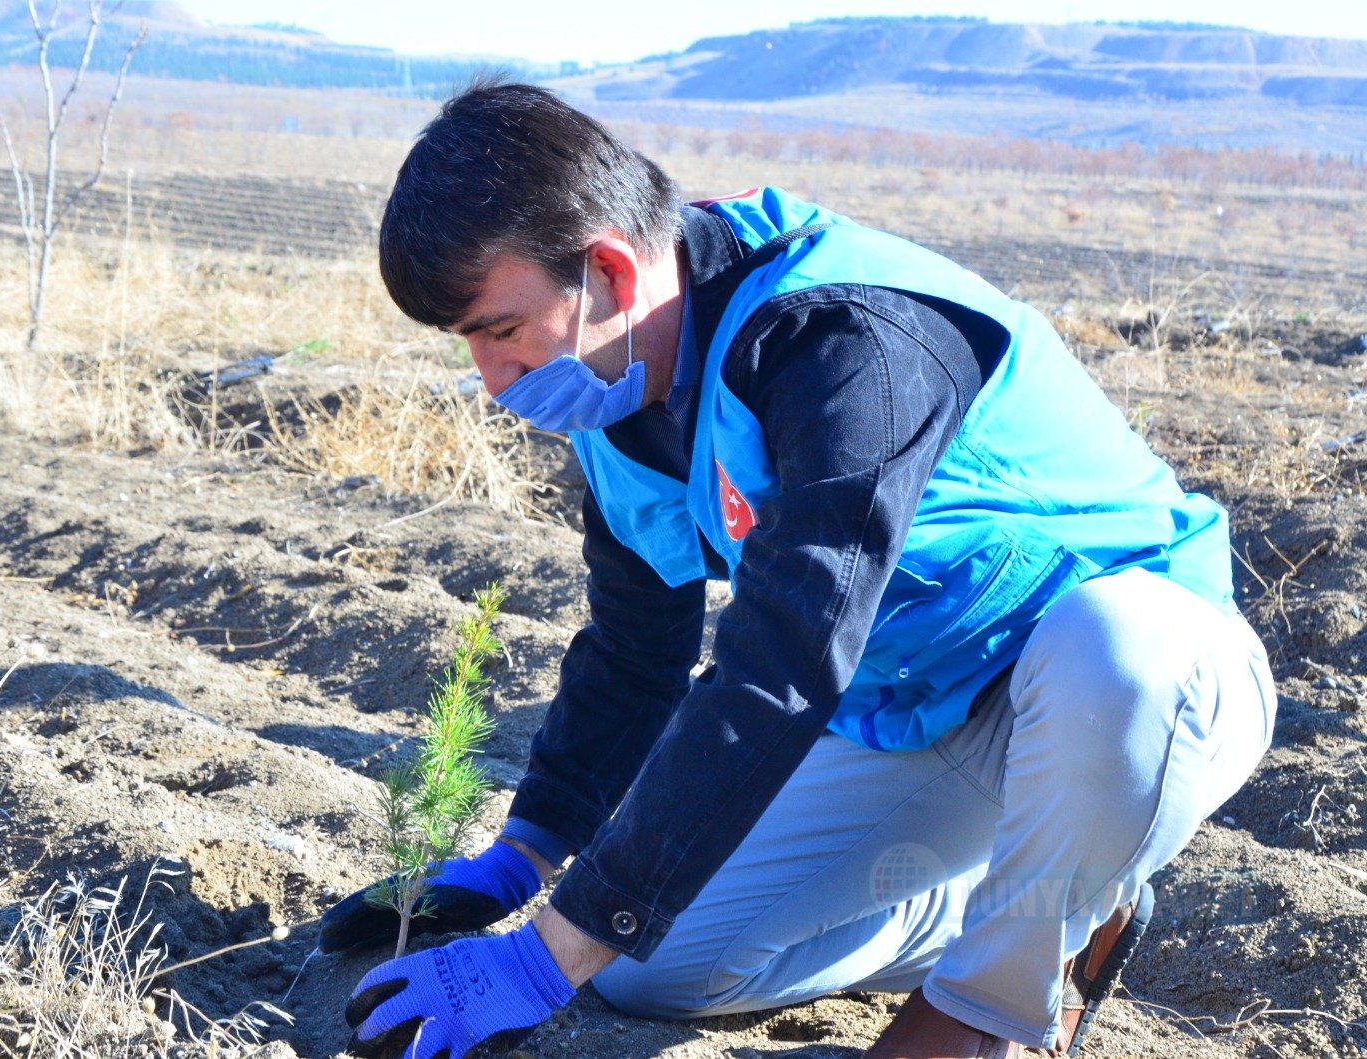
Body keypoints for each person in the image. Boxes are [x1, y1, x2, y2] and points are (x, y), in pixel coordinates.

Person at [320, 79, 1275, 1059]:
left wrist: (541, 961)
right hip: (918, 709)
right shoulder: (620, 392)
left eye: (500, 331)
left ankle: (989, 1011)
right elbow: (634, 652)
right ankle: (1012, 922)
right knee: (651, 959)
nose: (492, 382)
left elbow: (787, 650)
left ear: (607, 269)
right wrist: (524, 861)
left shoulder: (844, 336)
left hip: (1138, 694)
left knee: (1113, 654)